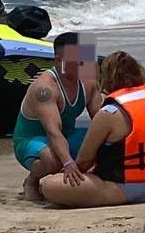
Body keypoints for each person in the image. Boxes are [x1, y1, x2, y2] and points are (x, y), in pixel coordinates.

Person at [39, 51, 145, 207]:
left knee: (48, 184)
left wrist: (68, 171)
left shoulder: (108, 113)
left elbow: (84, 161)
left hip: (125, 188)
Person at [13, 32, 102, 201]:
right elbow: (54, 132)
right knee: (52, 159)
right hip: (33, 140)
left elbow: (100, 119)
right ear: (58, 60)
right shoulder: (44, 89)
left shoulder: (89, 80)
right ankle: (31, 181)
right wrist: (68, 163)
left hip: (67, 135)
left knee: (104, 139)